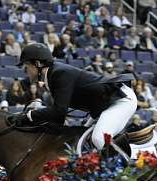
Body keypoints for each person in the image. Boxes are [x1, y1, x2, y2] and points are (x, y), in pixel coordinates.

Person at [8, 43, 136, 150]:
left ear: (37, 64)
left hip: (121, 100)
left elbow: (59, 111)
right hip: (103, 106)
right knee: (80, 141)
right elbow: (59, 119)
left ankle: (124, 172)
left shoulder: (59, 74)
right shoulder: (52, 76)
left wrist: (28, 116)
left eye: (27, 67)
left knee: (98, 138)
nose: (26, 72)